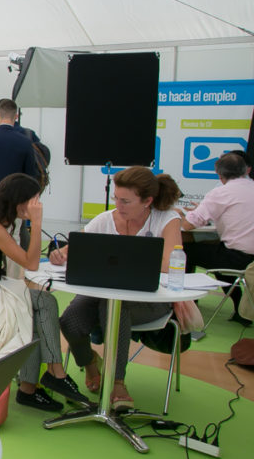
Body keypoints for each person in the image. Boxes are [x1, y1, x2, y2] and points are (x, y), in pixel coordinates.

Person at [0, 174, 90, 411]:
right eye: (33, 200)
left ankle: (40, 381)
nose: (37, 205)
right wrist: (36, 222)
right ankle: (46, 379)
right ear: (18, 200)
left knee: (44, 303)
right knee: (37, 310)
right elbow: (31, 263)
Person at [53, 167, 183, 411]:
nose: (118, 205)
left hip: (151, 300)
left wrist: (125, 261)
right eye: (116, 198)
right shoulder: (105, 219)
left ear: (147, 201)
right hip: (102, 294)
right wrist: (60, 254)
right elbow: (75, 249)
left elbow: (170, 263)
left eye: (126, 201)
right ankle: (90, 363)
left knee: (114, 308)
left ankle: (117, 381)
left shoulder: (167, 219)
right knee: (70, 320)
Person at [178, 153, 254, 325]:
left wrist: (175, 216)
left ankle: (188, 305)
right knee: (216, 251)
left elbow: (189, 224)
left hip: (237, 258)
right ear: (245, 170)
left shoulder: (221, 193)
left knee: (184, 251)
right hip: (249, 261)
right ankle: (239, 308)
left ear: (219, 175)